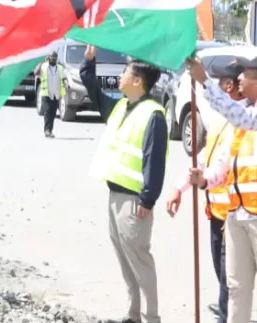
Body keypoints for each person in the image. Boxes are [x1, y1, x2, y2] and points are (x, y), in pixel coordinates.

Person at [186, 54, 257, 323]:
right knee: (236, 288)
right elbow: (224, 163)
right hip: (238, 213)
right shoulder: (245, 112)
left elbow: (246, 119)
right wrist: (204, 179)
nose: (238, 78)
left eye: (244, 74)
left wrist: (204, 82)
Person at [85, 44, 168, 323]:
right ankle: (133, 315)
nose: (120, 76)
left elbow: (154, 160)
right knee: (125, 258)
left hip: (134, 200)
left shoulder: (153, 114)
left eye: (125, 72)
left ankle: (151, 317)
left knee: (140, 261)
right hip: (115, 194)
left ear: (137, 80)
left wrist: (148, 198)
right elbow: (95, 93)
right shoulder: (122, 106)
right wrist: (89, 63)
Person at [166, 60, 245, 323]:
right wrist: (179, 188)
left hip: (233, 214)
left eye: (220, 82)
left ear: (229, 86)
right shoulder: (222, 120)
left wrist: (202, 182)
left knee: (229, 277)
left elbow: (222, 168)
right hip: (216, 212)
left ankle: (226, 318)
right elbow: (203, 159)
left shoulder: (243, 121)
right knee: (222, 274)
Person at [39, 51, 65, 138]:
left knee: (53, 113)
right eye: (52, 56)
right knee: (47, 111)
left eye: (55, 57)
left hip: (55, 94)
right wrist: (41, 62)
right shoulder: (44, 66)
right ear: (48, 57)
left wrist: (66, 84)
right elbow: (36, 72)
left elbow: (63, 78)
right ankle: (47, 130)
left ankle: (50, 130)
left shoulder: (60, 68)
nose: (53, 58)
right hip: (46, 93)